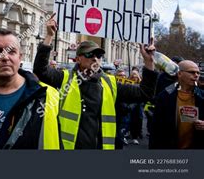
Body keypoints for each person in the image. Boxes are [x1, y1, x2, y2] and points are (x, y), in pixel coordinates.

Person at [33, 14, 158, 149]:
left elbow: (145, 92)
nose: (95, 58)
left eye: (98, 55)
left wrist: (149, 62)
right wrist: (49, 36)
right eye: (89, 54)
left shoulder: (110, 84)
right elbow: (41, 70)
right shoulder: (65, 78)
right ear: (78, 59)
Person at [150, 60, 204, 149]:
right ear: (179, 74)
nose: (196, 75)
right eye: (192, 72)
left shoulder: (202, 96)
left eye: (198, 72)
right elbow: (156, 129)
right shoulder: (165, 96)